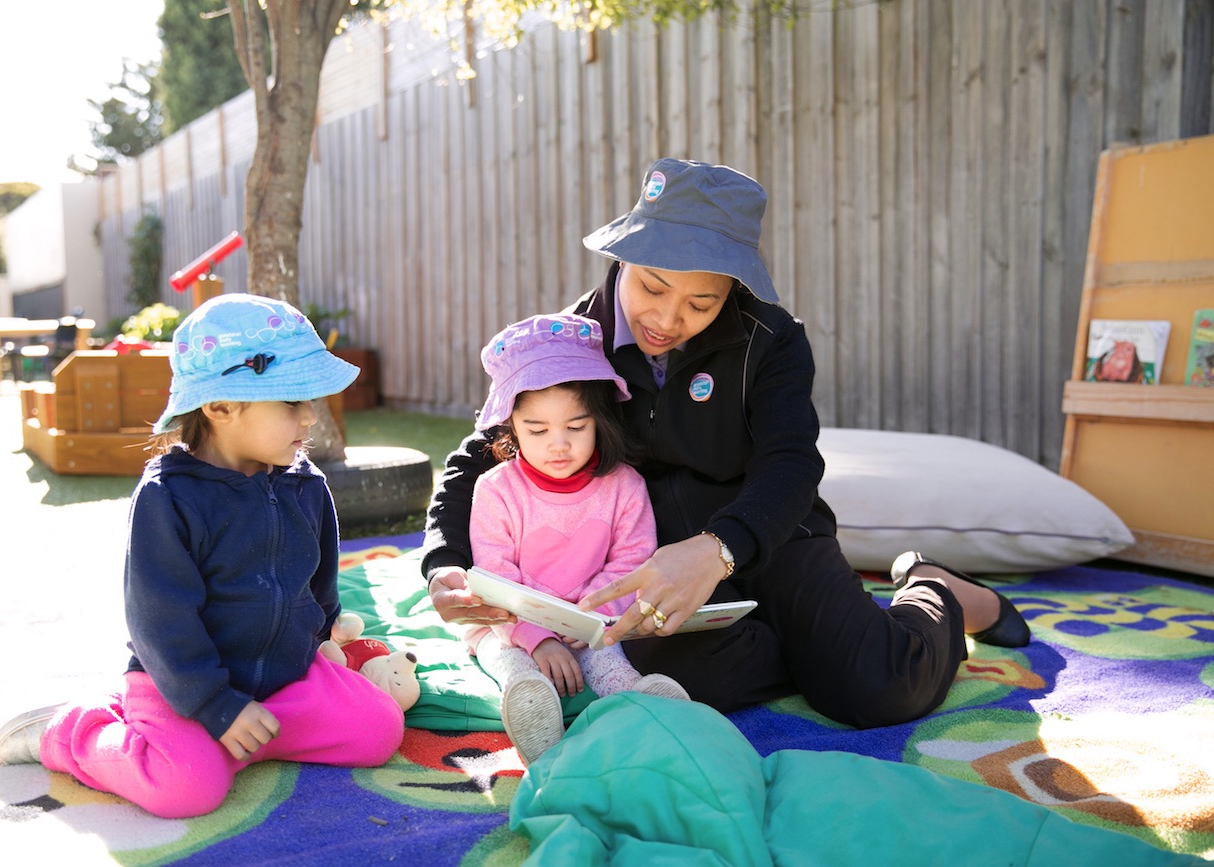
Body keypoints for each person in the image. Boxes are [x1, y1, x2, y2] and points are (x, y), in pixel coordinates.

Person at [422, 158, 1031, 729]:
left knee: (878, 687)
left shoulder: (773, 341)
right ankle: (818, 651)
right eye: (652, 287)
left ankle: (937, 592)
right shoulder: (569, 344)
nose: (666, 318)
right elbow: (479, 457)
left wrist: (718, 550)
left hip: (773, 537)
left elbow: (792, 464)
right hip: (656, 560)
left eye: (700, 303)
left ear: (732, 289)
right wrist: (444, 563)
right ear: (624, 257)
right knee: (664, 676)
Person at [0, 293, 405, 818]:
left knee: (378, 729)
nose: (309, 420)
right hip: (185, 683)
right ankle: (75, 732)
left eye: (309, 403)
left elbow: (317, 581)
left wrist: (323, 637)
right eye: (291, 404)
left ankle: (240, 737)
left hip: (282, 679)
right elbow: (159, 620)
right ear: (220, 407)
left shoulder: (307, 484)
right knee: (186, 789)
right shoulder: (170, 497)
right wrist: (215, 706)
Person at [465, 313, 690, 764]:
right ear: (512, 427)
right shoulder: (495, 490)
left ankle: (639, 704)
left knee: (608, 660)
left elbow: (632, 560)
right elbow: (495, 575)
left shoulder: (624, 486)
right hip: (510, 623)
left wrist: (589, 619)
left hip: (592, 622)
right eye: (537, 430)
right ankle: (531, 707)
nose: (558, 445)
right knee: (510, 660)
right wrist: (538, 635)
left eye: (576, 427)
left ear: (600, 421)